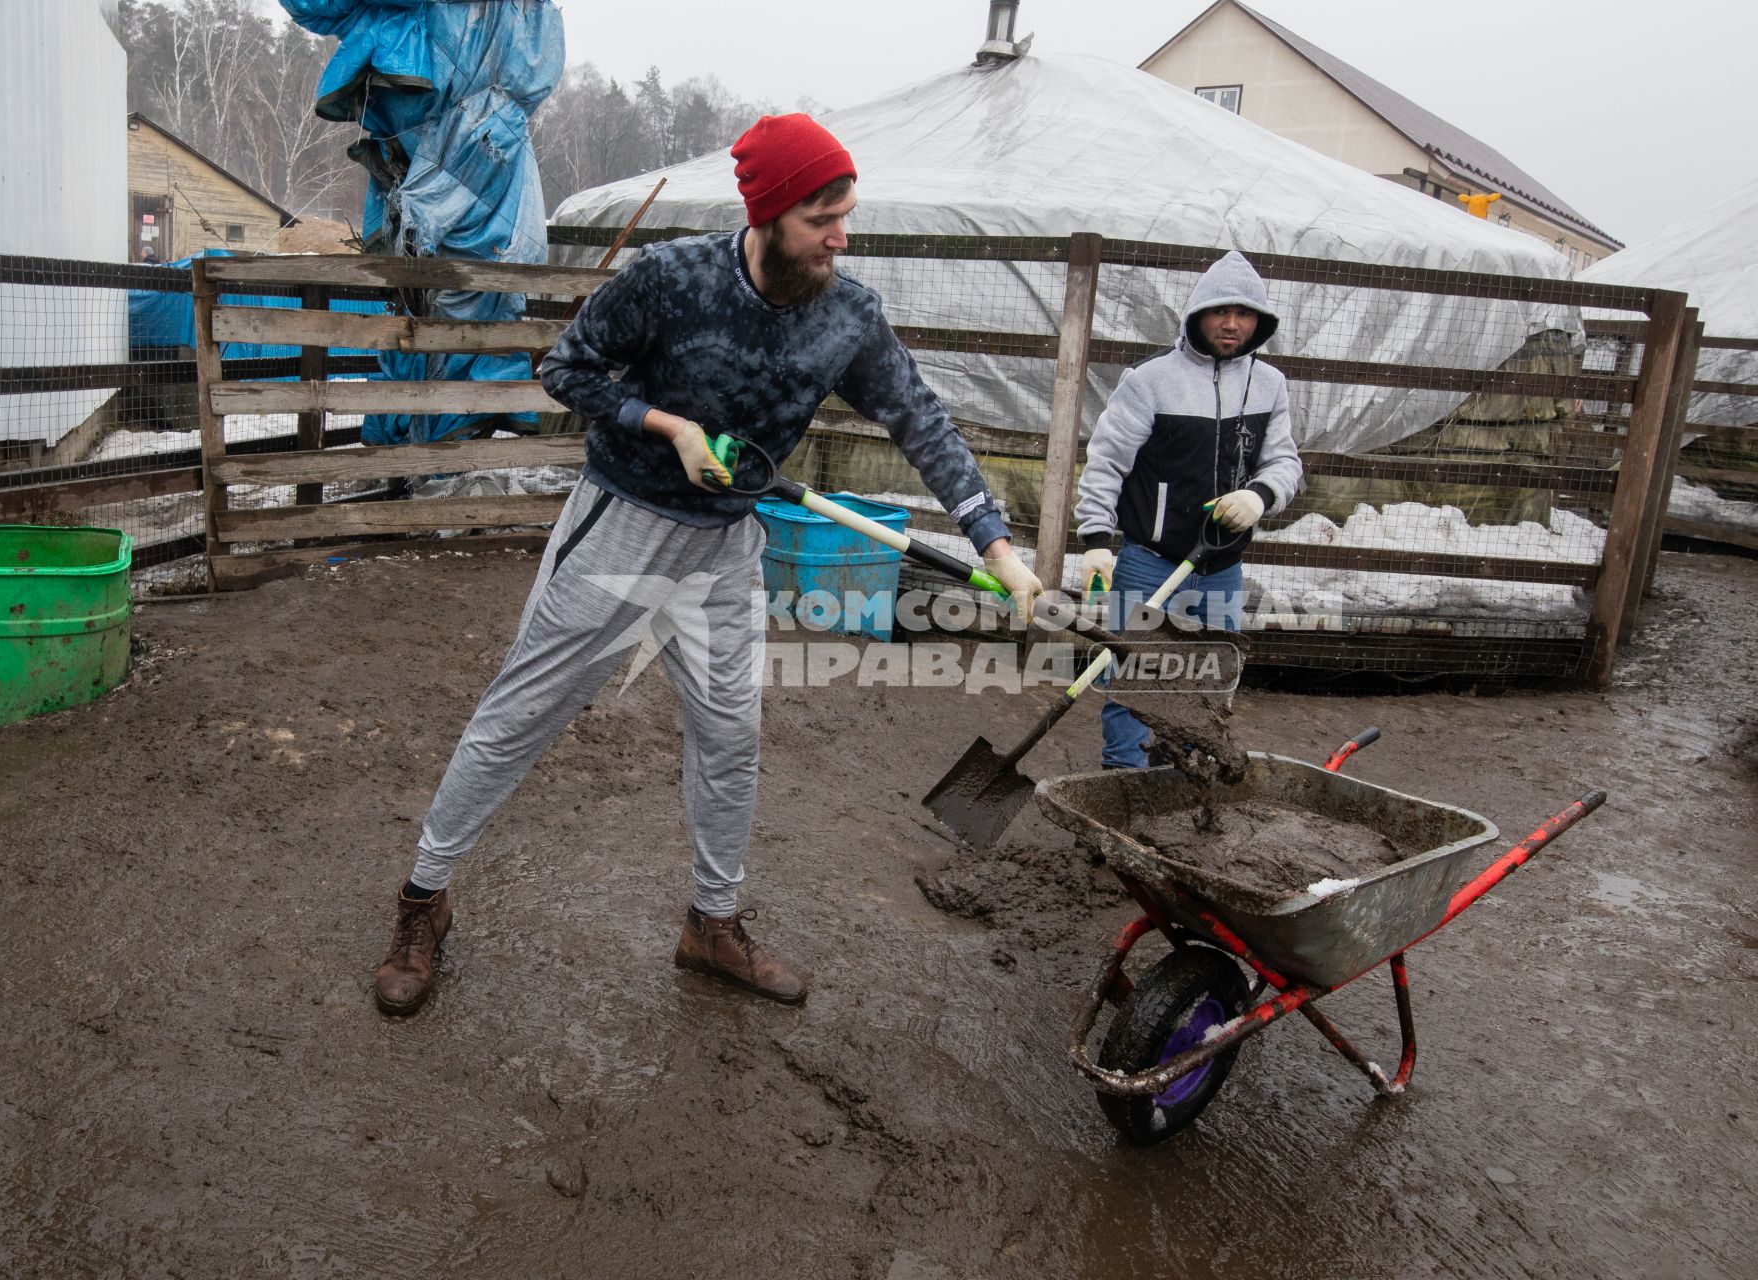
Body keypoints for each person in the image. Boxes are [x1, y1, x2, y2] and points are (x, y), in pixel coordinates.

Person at [373, 113, 1045, 1015]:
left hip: (726, 546)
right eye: (821, 218)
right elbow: (566, 370)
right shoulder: (668, 279)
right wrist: (671, 426)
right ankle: (424, 899)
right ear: (767, 214)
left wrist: (998, 546)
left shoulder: (848, 315)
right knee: (521, 714)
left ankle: (712, 923)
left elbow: (920, 420)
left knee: (732, 736)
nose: (840, 238)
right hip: (621, 526)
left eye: (847, 214)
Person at [1071, 250, 1302, 769]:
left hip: (1222, 566)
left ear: (1259, 323)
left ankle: (1181, 781)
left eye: (1245, 315)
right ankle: (1123, 783)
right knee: (1135, 675)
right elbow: (1107, 462)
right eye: (1221, 311)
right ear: (1197, 313)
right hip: (1151, 561)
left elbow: (1285, 461)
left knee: (1209, 682)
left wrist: (1258, 496)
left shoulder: (1269, 385)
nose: (1232, 324)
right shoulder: (1150, 380)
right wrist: (1094, 541)